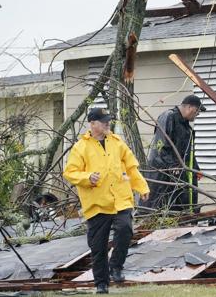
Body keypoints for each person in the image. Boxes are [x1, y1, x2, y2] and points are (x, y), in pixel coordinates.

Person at [63, 107, 150, 294]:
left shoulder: (118, 143)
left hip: (121, 199)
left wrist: (142, 187)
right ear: (92, 124)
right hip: (97, 204)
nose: (107, 123)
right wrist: (87, 178)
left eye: (108, 121)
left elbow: (132, 167)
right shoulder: (81, 147)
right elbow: (70, 172)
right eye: (103, 121)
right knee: (98, 246)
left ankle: (116, 266)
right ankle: (101, 283)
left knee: (125, 229)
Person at [142, 95, 205, 213]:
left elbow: (187, 151)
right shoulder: (169, 117)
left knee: (181, 208)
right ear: (189, 107)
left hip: (179, 172)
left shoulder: (186, 126)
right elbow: (161, 146)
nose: (197, 115)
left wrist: (196, 168)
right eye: (197, 111)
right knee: (162, 208)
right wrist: (172, 165)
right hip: (163, 172)